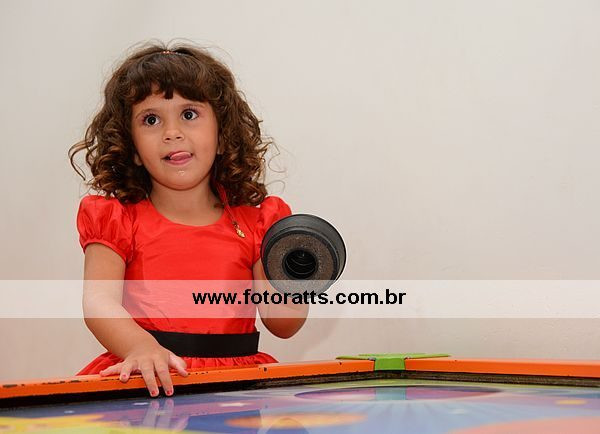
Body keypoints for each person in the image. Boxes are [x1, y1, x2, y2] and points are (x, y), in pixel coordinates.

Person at [68, 42, 308, 397]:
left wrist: (297, 276)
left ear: (222, 134)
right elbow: (98, 304)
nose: (172, 132)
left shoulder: (257, 223)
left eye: (189, 114)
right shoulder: (116, 219)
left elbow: (284, 323)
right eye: (151, 119)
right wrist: (140, 346)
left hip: (234, 391)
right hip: (148, 382)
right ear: (132, 148)